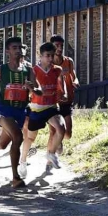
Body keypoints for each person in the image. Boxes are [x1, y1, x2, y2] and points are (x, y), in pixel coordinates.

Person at [0, 38, 38, 188]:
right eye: (14, 48)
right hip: (4, 109)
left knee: (3, 144)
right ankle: (15, 177)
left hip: (21, 110)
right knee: (18, 137)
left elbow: (39, 92)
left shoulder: (29, 70)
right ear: (7, 51)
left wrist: (32, 88)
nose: (18, 50)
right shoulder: (0, 69)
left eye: (20, 47)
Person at [19, 42, 68, 178]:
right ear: (40, 56)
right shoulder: (33, 70)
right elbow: (28, 92)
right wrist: (29, 91)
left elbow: (62, 87)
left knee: (61, 128)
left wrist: (63, 94)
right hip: (36, 108)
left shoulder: (57, 70)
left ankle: (51, 154)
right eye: (47, 56)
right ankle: (22, 161)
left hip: (52, 107)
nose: (50, 58)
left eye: (52, 55)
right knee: (30, 138)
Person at [51, 35, 80, 144]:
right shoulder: (49, 63)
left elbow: (74, 76)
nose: (59, 48)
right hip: (53, 102)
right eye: (56, 46)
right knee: (55, 131)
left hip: (67, 101)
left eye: (61, 46)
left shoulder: (68, 61)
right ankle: (52, 155)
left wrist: (75, 81)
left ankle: (58, 143)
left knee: (68, 134)